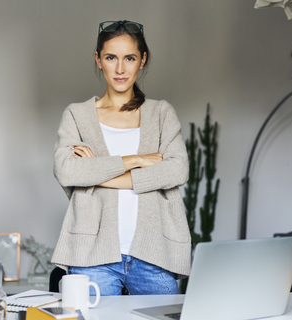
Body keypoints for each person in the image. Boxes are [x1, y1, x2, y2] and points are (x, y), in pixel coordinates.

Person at [51, 20, 191, 295]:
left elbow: (177, 171)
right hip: (93, 255)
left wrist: (96, 175)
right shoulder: (77, 115)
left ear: (142, 60)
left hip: (154, 253)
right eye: (110, 57)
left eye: (129, 58)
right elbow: (67, 171)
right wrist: (133, 159)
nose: (120, 68)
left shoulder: (161, 113)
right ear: (98, 59)